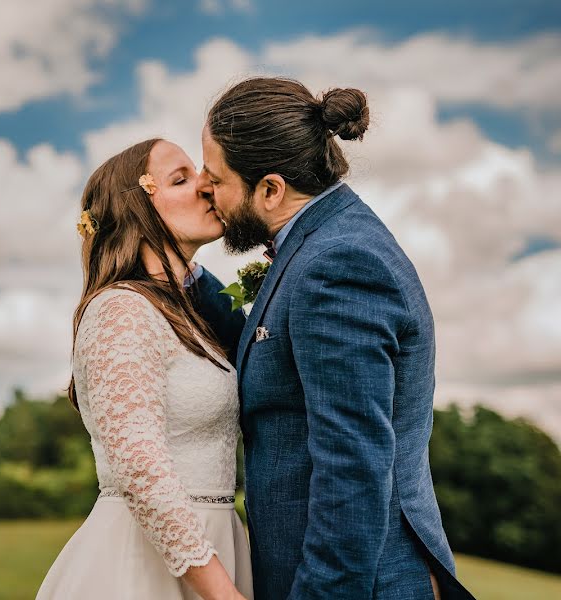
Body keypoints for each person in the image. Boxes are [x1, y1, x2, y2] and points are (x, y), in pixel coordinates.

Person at [190, 77, 476, 599]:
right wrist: (181, 272)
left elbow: (352, 468)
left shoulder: (338, 265)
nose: (207, 192)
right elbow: (267, 350)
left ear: (271, 189)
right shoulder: (323, 241)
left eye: (216, 178)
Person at [35, 138, 253, 600]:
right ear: (137, 210)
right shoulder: (121, 310)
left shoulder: (188, 316)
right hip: (145, 567)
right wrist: (221, 593)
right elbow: (137, 461)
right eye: (182, 178)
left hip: (218, 549)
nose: (207, 187)